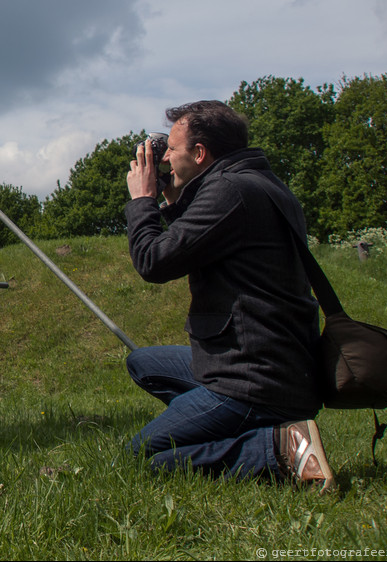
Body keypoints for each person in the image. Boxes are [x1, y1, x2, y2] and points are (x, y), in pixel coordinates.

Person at [123, 100, 334, 491]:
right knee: (144, 362)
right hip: (280, 366)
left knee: (142, 456)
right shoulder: (259, 184)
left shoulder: (229, 191)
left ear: (200, 154)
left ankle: (277, 448)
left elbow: (154, 262)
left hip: (254, 379)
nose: (165, 157)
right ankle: (235, 425)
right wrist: (174, 198)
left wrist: (142, 202)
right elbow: (201, 240)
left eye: (171, 148)